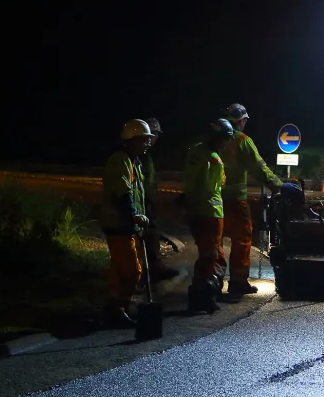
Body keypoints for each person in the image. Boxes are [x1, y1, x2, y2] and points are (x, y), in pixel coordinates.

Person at [220, 103, 282, 296]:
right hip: (236, 201)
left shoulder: (216, 139)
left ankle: (213, 281)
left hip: (214, 199)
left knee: (215, 241)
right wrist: (279, 186)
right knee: (242, 239)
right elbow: (259, 168)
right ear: (242, 121)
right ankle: (238, 282)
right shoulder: (242, 141)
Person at [99, 119, 155, 328]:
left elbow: (137, 193)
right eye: (144, 140)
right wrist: (133, 215)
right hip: (119, 224)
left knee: (118, 271)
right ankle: (120, 307)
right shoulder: (121, 160)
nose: (148, 143)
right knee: (133, 271)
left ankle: (114, 308)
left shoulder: (134, 161)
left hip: (126, 225)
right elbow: (122, 193)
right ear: (131, 139)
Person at [183, 118, 235, 313]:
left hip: (196, 212)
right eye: (227, 139)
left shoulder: (195, 151)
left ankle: (202, 295)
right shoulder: (214, 159)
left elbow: (191, 182)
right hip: (210, 214)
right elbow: (214, 187)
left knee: (207, 255)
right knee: (209, 257)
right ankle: (203, 297)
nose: (227, 143)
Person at [137, 118, 180, 283]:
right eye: (153, 134)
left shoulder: (146, 155)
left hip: (148, 201)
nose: (154, 138)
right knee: (148, 236)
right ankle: (149, 271)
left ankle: (153, 268)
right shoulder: (140, 155)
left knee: (152, 235)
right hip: (144, 202)